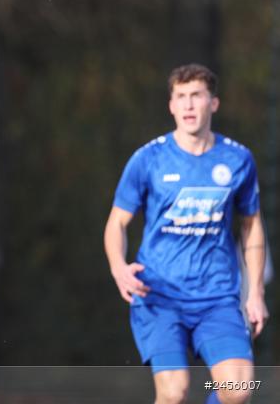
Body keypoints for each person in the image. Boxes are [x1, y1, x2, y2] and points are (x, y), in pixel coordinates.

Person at [104, 64, 269, 404]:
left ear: (214, 103)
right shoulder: (148, 159)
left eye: (197, 96)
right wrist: (118, 267)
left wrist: (255, 292)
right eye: (181, 97)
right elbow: (117, 223)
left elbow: (251, 224)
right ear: (171, 106)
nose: (189, 105)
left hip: (218, 298)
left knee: (238, 392)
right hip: (160, 297)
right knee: (174, 392)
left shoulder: (238, 159)